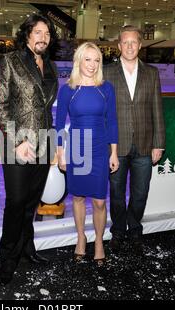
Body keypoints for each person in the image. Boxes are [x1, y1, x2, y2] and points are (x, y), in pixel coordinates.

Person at [0, 13, 58, 285]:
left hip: (44, 143)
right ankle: (8, 258)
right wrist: (17, 142)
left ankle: (27, 248)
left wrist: (53, 144)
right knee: (16, 202)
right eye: (38, 32)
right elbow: (0, 105)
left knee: (31, 203)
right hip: (17, 145)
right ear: (28, 34)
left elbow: (47, 109)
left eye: (48, 34)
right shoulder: (10, 60)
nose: (43, 37)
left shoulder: (51, 66)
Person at [56, 42, 119, 266]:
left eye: (96, 60)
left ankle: (99, 241)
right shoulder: (68, 90)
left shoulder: (106, 88)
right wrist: (60, 152)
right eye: (87, 59)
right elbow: (59, 124)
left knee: (100, 202)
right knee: (79, 198)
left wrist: (114, 153)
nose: (92, 65)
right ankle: (81, 237)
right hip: (76, 150)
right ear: (78, 61)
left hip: (100, 149)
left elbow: (112, 121)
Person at [104, 25, 165, 254]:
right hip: (116, 146)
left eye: (134, 42)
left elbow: (157, 110)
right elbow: (103, 112)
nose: (129, 46)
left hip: (145, 144)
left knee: (140, 193)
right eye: (125, 42)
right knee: (117, 194)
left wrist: (159, 143)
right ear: (119, 45)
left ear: (140, 45)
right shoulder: (107, 72)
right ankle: (118, 231)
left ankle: (135, 229)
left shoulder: (152, 73)